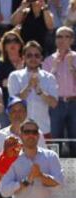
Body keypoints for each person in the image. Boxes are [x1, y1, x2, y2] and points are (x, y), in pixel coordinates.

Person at [0, 118, 64, 198]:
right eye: (27, 132)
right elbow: (4, 191)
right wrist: (26, 181)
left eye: (34, 132)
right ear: (20, 134)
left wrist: (40, 176)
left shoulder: (51, 156)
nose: (31, 135)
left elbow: (60, 185)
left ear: (38, 135)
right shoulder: (11, 158)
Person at [7, 41, 58, 138]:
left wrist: (39, 90)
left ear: (41, 58)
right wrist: (29, 87)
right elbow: (14, 103)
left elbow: (54, 103)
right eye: (29, 55)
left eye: (36, 55)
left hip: (42, 130)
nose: (33, 58)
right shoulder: (14, 76)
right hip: (20, 130)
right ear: (24, 58)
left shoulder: (49, 77)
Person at [43, 26, 76, 157]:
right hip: (56, 104)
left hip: (74, 103)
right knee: (55, 140)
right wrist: (54, 68)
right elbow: (44, 84)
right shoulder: (48, 60)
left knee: (75, 139)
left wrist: (71, 67)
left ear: (72, 40)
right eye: (59, 37)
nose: (62, 40)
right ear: (55, 40)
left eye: (66, 36)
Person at [0, 30, 24, 125]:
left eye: (15, 40)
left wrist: (8, 82)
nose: (12, 43)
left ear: (20, 45)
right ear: (4, 46)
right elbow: (0, 85)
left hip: (27, 105)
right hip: (7, 105)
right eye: (8, 41)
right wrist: (18, 73)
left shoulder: (28, 61)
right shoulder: (0, 64)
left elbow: (7, 83)